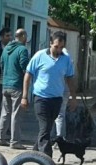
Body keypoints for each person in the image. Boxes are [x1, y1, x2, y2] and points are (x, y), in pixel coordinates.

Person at [22, 30, 78, 158]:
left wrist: (73, 97)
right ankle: (47, 159)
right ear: (50, 43)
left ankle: (34, 153)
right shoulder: (39, 56)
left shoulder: (66, 59)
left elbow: (70, 78)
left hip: (57, 99)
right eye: (56, 46)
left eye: (61, 47)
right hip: (41, 98)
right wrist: (24, 96)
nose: (59, 50)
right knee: (45, 127)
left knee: (47, 128)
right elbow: (28, 75)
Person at [0, 28, 30, 149]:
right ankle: (15, 141)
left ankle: (0, 138)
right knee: (16, 114)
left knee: (5, 112)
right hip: (17, 85)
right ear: (23, 36)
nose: (26, 39)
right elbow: (25, 66)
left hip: (5, 84)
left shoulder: (6, 49)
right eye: (26, 36)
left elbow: (1, 64)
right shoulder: (22, 49)